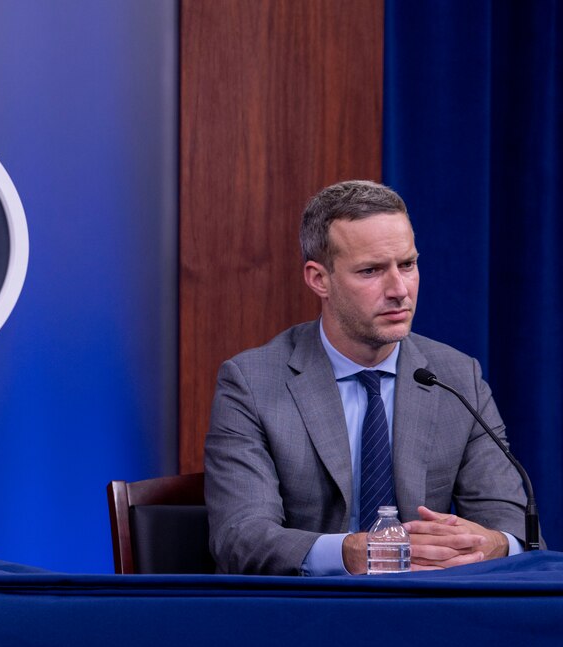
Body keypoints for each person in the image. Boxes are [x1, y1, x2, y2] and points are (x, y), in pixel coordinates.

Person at [204, 180, 529, 575]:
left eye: (407, 265)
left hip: (429, 615)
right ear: (319, 279)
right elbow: (241, 536)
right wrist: (353, 553)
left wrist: (486, 544)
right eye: (371, 270)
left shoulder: (457, 377)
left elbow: (516, 529)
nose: (399, 290)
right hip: (307, 617)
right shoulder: (252, 383)